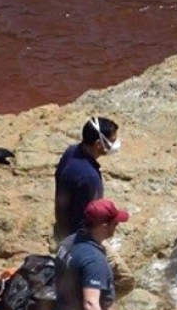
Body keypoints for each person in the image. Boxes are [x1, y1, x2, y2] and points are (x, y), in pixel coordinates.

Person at [53, 117, 135, 292]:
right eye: (112, 141)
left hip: (62, 229)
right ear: (99, 144)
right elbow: (90, 219)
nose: (115, 144)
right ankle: (97, 304)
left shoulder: (71, 152)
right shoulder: (88, 177)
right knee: (125, 279)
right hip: (80, 239)